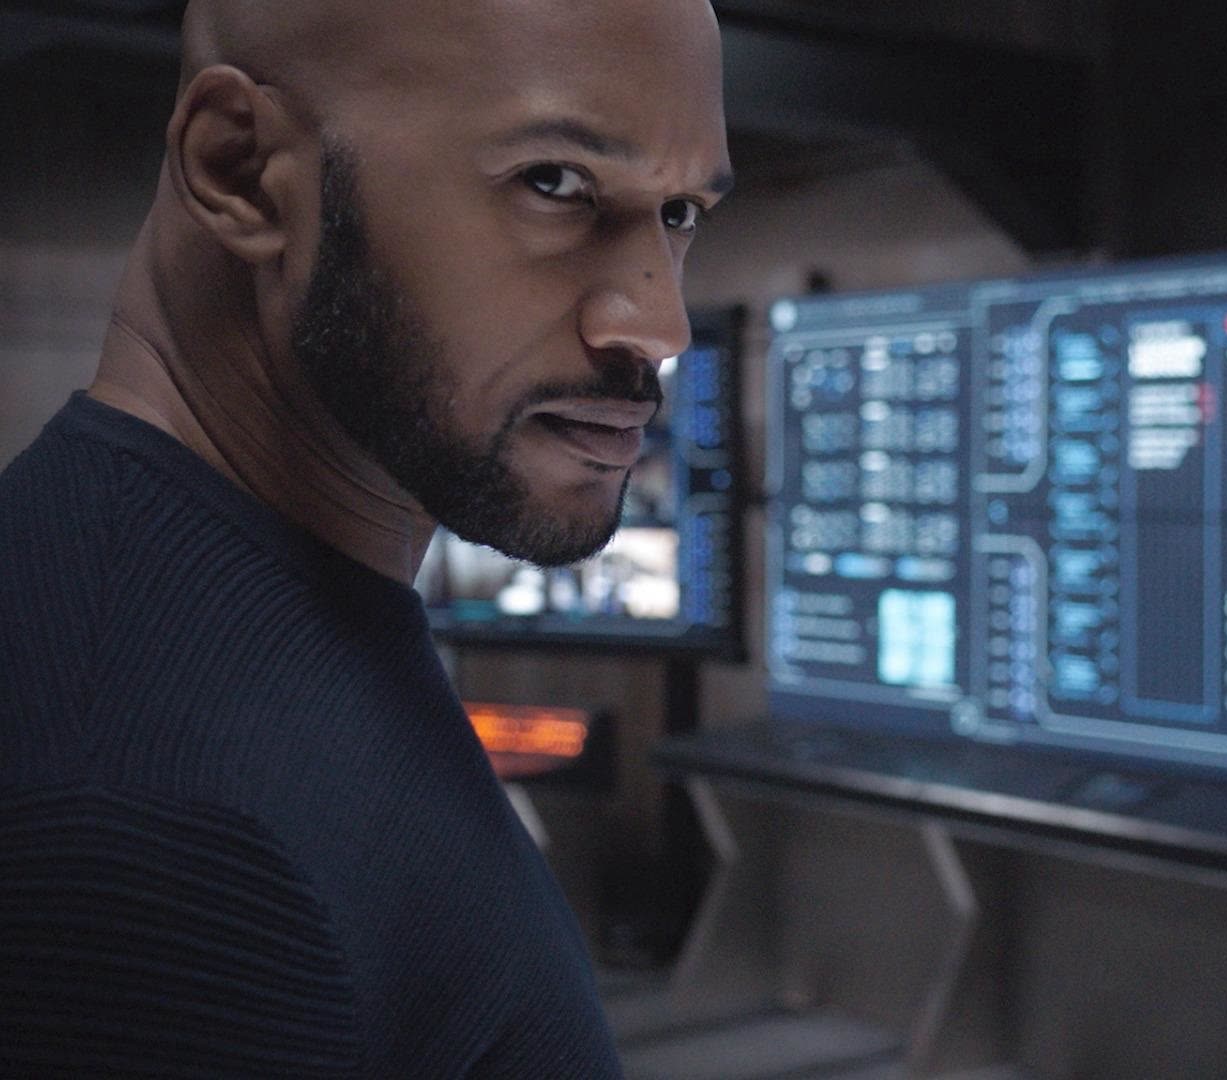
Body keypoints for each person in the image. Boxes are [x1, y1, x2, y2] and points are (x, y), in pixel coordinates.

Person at [0, 0, 731, 1074]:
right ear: (240, 169)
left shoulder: (252, 618)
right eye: (554, 183)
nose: (658, 324)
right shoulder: (140, 830)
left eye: (678, 211)